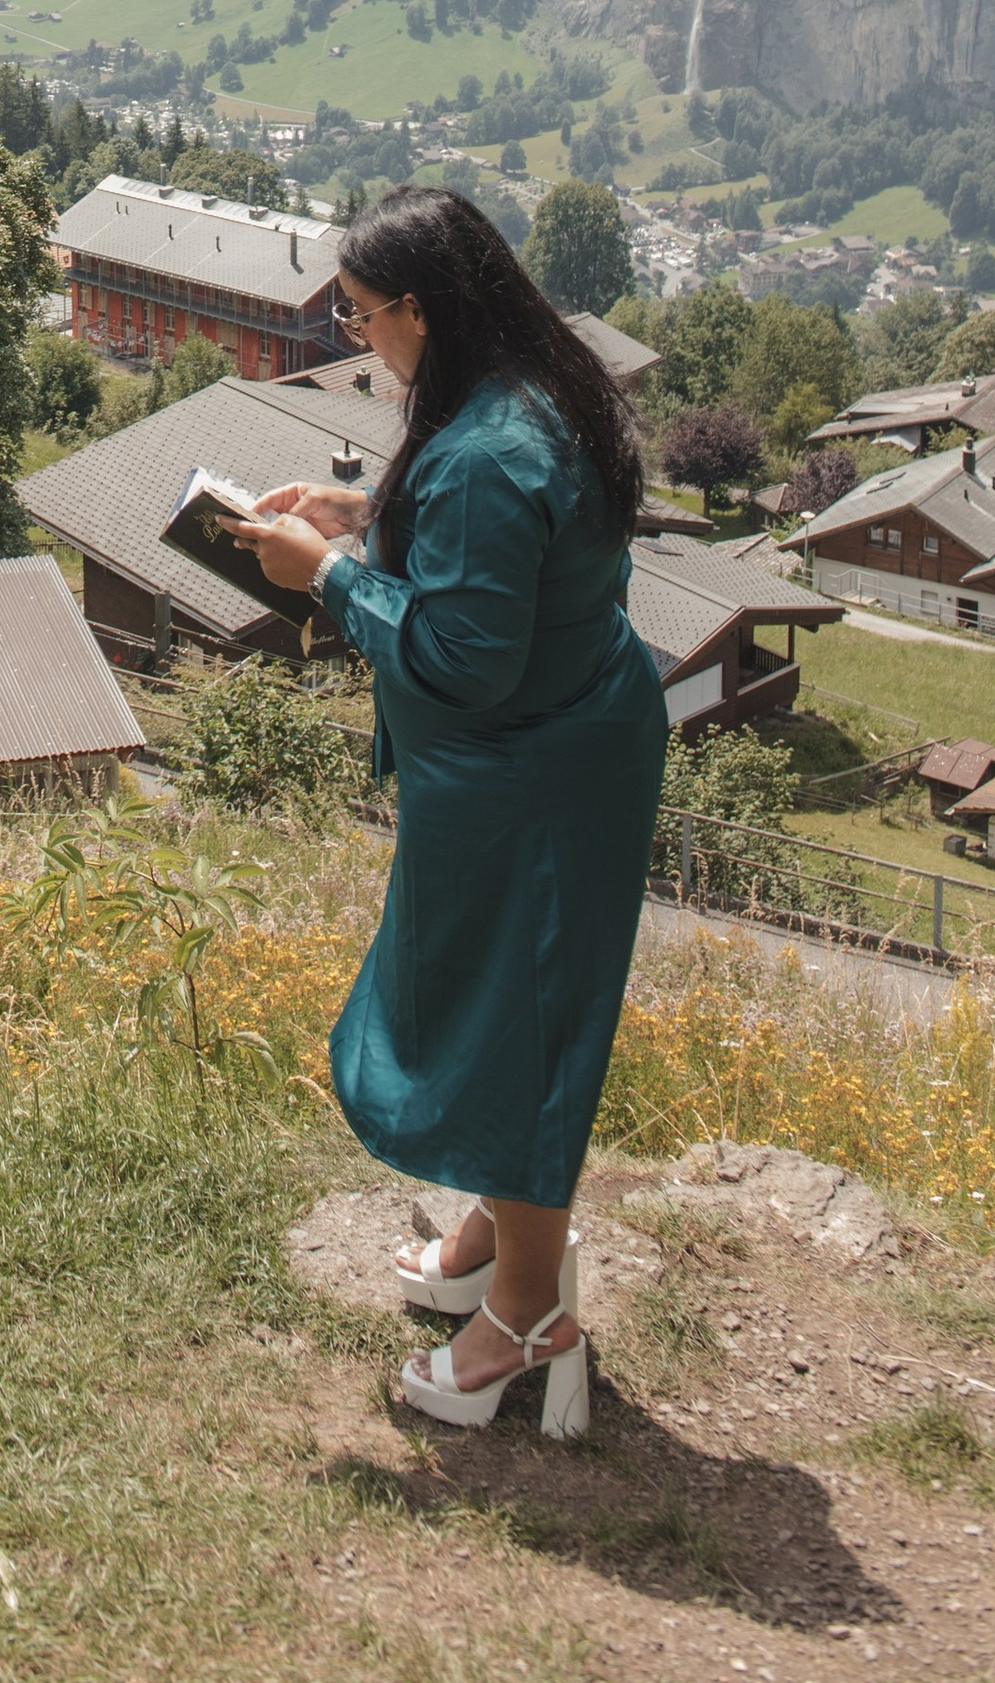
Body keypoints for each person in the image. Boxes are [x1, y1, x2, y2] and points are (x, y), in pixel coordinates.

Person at [226, 184, 666, 1444]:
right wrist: (366, 510)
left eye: (362, 315)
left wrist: (330, 578)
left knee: (521, 1016)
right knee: (500, 997)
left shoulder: (486, 441)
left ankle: (529, 1314)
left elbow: (466, 653)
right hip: (552, 745)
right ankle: (496, 1231)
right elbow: (524, 547)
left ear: (422, 306)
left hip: (530, 769)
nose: (358, 336)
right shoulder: (533, 384)